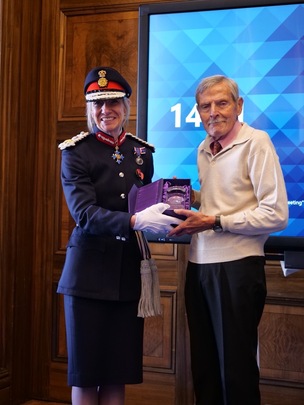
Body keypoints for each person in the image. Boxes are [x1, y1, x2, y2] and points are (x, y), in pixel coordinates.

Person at [57, 66, 181, 405]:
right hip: (87, 278)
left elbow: (143, 201)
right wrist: (136, 221)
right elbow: (84, 214)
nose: (104, 110)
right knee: (86, 376)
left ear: (125, 105)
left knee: (117, 374)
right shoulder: (75, 152)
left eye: (112, 102)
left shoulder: (142, 152)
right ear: (89, 109)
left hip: (128, 274)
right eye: (97, 104)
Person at [168, 75, 288, 405]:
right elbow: (219, 201)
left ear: (239, 106)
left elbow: (276, 214)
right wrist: (187, 197)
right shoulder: (204, 148)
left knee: (236, 372)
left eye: (222, 103)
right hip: (198, 266)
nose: (213, 112)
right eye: (205, 106)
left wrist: (216, 220)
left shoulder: (257, 141)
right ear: (198, 111)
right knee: (204, 369)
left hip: (238, 268)